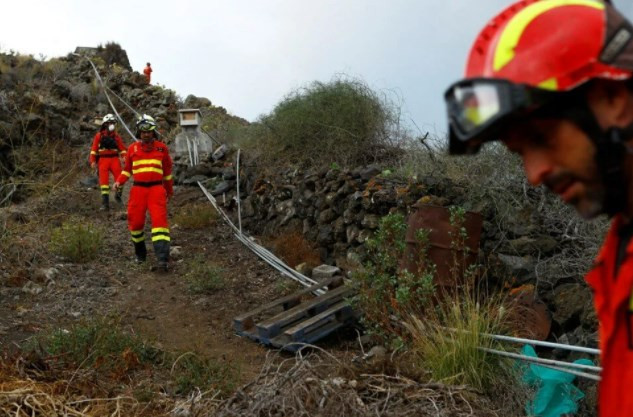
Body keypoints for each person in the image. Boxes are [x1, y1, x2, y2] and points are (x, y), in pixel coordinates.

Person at [443, 1, 633, 415]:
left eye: (542, 136)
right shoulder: (618, 257)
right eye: (519, 152)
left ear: (614, 98)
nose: (534, 174)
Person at [113, 114, 173, 271]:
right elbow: (127, 171)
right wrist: (119, 182)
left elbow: (167, 173)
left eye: (149, 131)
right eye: (143, 131)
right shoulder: (132, 149)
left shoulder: (162, 148)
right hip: (138, 190)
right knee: (136, 223)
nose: (146, 134)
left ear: (154, 132)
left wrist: (169, 191)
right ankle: (140, 256)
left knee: (160, 224)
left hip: (156, 190)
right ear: (139, 132)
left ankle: (162, 260)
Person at [89, 113, 127, 210]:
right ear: (105, 124)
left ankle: (118, 197)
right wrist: (92, 161)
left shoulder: (116, 136)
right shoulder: (99, 136)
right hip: (103, 160)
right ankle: (105, 203)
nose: (112, 125)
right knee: (104, 182)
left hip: (114, 159)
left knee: (120, 179)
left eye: (113, 123)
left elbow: (122, 149)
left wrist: (125, 157)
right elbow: (94, 149)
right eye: (110, 123)